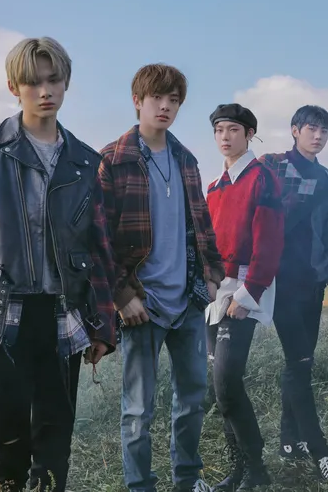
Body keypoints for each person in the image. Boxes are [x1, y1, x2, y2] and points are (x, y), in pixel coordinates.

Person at [0, 36, 117, 491]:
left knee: (55, 449)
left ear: (66, 83)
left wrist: (102, 324)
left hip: (63, 316)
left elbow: (98, 249)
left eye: (53, 79)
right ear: (13, 87)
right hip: (2, 318)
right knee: (7, 452)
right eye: (33, 82)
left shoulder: (84, 162)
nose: (45, 91)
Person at [98, 63, 225, 492]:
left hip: (187, 301)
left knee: (192, 400)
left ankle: (187, 481)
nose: (166, 107)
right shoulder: (113, 160)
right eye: (157, 98)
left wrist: (212, 276)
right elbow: (98, 239)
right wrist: (121, 295)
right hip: (141, 304)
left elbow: (202, 225)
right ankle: (141, 487)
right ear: (138, 101)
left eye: (174, 100)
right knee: (138, 410)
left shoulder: (186, 159)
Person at [259, 105, 328, 484]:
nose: (318, 136)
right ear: (295, 130)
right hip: (280, 283)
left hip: (313, 282)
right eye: (311, 128)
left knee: (301, 365)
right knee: (299, 362)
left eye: (324, 131)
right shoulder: (272, 166)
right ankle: (320, 450)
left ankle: (290, 442)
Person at [204, 103, 284, 490]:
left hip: (243, 291)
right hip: (214, 294)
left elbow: (269, 244)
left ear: (249, 135)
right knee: (223, 390)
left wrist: (248, 294)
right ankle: (238, 469)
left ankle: (257, 470)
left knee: (226, 383)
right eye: (219, 130)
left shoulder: (262, 178)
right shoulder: (214, 187)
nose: (225, 136)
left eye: (233, 129)